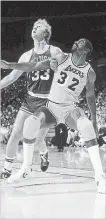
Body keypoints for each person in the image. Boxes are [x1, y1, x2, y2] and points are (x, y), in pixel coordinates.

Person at [1, 39, 105, 194]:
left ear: (86, 51)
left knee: (87, 126)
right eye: (76, 41)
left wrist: (95, 120)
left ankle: (99, 176)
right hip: (52, 107)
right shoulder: (61, 58)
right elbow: (33, 66)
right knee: (30, 123)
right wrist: (10, 65)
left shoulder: (89, 72)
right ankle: (26, 167)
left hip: (70, 109)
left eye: (81, 42)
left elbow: (90, 96)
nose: (76, 41)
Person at [0, 18, 61, 179]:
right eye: (33, 26)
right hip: (31, 99)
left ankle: (44, 153)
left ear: (45, 33)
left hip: (48, 102)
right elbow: (12, 77)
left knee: (38, 138)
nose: (34, 28)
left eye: (38, 27)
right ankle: (7, 168)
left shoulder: (54, 51)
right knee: (15, 134)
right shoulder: (26, 55)